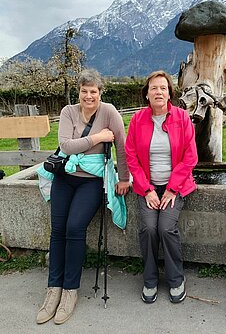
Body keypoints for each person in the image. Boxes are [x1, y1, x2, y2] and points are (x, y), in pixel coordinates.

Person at [36, 69, 130, 325]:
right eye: (84, 91)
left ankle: (69, 290)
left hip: (90, 182)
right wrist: (98, 137)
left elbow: (121, 146)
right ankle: (53, 288)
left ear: (100, 92)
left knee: (74, 228)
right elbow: (66, 146)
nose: (88, 96)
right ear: (79, 92)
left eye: (93, 91)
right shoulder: (69, 112)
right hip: (64, 178)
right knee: (57, 231)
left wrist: (123, 178)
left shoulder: (110, 112)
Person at [125, 70, 197, 304]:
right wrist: (146, 190)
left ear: (169, 94)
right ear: (147, 94)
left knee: (166, 228)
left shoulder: (182, 118)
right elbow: (131, 156)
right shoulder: (137, 120)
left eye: (163, 88)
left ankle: (176, 279)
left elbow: (190, 157)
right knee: (148, 228)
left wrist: (171, 189)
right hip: (147, 187)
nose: (158, 92)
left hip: (175, 187)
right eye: (154, 88)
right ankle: (150, 278)